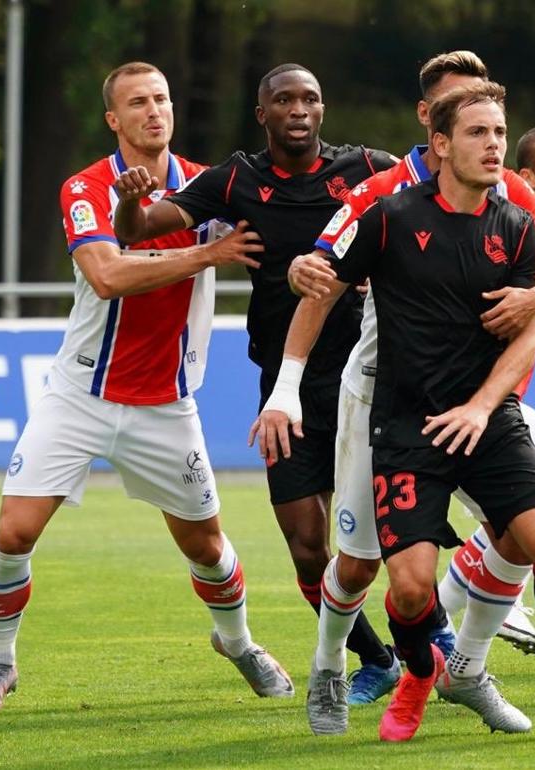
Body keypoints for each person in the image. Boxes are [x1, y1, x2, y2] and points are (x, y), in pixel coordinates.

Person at [0, 62, 291, 711]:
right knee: (14, 534)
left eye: (162, 98)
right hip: (80, 395)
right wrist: (205, 255)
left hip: (166, 403)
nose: (154, 110)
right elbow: (108, 275)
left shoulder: (208, 185)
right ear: (114, 119)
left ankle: (238, 642)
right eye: (138, 102)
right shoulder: (85, 188)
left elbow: (283, 227)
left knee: (207, 547)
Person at [293, 81, 535, 743]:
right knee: (394, 584)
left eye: (500, 132)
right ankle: (390, 670)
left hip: (488, 418)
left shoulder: (514, 218)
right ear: (437, 139)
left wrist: (488, 397)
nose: (493, 144)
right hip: (397, 420)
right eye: (477, 132)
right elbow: (319, 277)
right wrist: (301, 287)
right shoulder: (388, 211)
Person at [111, 63, 403, 703]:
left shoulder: (366, 169)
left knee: (394, 536)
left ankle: (438, 638)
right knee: (307, 548)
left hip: (368, 380)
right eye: (284, 100)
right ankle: (378, 660)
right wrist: (130, 198)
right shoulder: (236, 179)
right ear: (261, 114)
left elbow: (435, 200)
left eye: (310, 99)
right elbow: (135, 231)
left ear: (322, 110)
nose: (298, 109)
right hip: (284, 386)